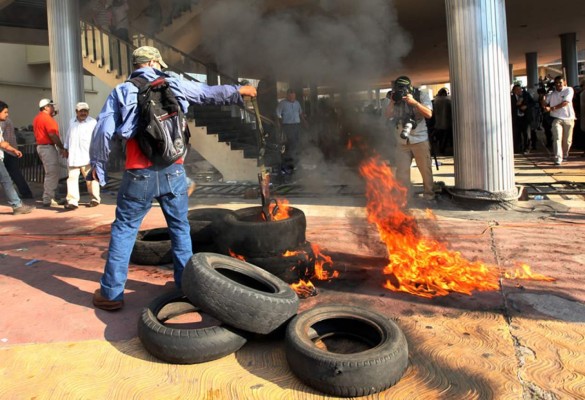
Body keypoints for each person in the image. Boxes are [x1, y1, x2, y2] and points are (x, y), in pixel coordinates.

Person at [89, 46, 257, 311]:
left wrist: (97, 167)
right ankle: (186, 286)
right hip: (174, 170)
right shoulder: (174, 83)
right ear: (155, 62)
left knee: (124, 230)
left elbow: (103, 131)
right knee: (179, 228)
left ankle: (111, 294)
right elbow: (207, 93)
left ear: (136, 64)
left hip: (138, 173)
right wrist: (238, 92)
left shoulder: (122, 91)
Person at [385, 76, 435, 202]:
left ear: (409, 87)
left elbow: (429, 114)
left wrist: (414, 103)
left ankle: (429, 196)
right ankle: (403, 197)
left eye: (403, 88)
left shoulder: (421, 95)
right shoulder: (392, 96)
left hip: (419, 139)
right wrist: (392, 101)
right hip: (402, 141)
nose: (401, 91)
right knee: (402, 172)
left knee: (425, 170)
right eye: (398, 88)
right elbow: (387, 115)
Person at [63, 102, 100, 210]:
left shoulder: (93, 122)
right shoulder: (72, 122)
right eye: (81, 111)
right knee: (72, 179)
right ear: (76, 112)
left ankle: (95, 199)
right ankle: (72, 201)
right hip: (74, 156)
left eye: (85, 111)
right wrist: (65, 148)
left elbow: (97, 138)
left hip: (87, 156)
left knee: (91, 179)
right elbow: (68, 136)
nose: (83, 113)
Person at [0, 101, 35, 215]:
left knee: (8, 179)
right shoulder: (4, 123)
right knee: (7, 180)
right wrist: (11, 149)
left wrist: (12, 149)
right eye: (5, 112)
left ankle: (19, 202)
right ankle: (17, 204)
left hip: (5, 153)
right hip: (6, 153)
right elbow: (3, 142)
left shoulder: (3, 123)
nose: (7, 114)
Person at [32, 98, 66, 207]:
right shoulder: (47, 119)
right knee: (52, 173)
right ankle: (48, 198)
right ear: (46, 107)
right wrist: (61, 147)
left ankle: (52, 196)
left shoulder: (38, 118)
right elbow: (52, 135)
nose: (53, 108)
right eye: (51, 106)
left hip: (42, 147)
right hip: (47, 148)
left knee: (51, 173)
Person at [540, 76, 576, 165]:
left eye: (560, 82)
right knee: (557, 138)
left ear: (564, 82)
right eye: (556, 83)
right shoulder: (551, 94)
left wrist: (552, 108)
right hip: (556, 118)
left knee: (567, 140)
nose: (558, 84)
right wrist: (543, 101)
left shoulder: (569, 90)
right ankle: (558, 158)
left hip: (569, 118)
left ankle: (565, 154)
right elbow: (544, 105)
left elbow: (565, 102)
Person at [276, 88, 308, 172]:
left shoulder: (297, 103)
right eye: (290, 96)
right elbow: (278, 115)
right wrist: (279, 126)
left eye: (293, 96)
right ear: (287, 95)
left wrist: (304, 122)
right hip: (287, 126)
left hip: (297, 126)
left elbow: (300, 113)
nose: (292, 97)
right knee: (291, 145)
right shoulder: (282, 103)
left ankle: (295, 163)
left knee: (297, 144)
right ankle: (288, 165)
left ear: (295, 95)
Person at [1, 117, 33, 198]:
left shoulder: (4, 121)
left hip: (7, 150)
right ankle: (25, 193)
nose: (6, 114)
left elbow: (4, 138)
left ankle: (25, 193)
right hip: (9, 149)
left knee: (12, 174)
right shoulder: (6, 120)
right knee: (13, 174)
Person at [511, 84, 534, 154]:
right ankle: (518, 148)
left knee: (526, 133)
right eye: (517, 90)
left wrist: (526, 106)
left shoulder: (526, 95)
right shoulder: (511, 97)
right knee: (516, 134)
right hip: (516, 118)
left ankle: (527, 148)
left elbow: (532, 103)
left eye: (520, 89)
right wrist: (517, 104)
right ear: (514, 91)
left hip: (525, 117)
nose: (519, 91)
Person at [431, 87, 453, 155]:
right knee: (446, 138)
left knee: (440, 138)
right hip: (447, 123)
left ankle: (440, 150)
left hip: (438, 123)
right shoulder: (449, 100)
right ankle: (445, 150)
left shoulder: (435, 100)